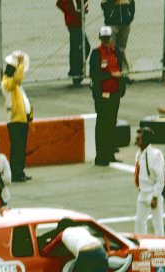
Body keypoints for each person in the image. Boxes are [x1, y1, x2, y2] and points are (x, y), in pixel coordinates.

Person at [89, 26, 126, 166]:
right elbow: (94, 74)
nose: (106, 41)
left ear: (110, 38)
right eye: (103, 39)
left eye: (107, 38)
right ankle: (101, 156)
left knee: (111, 123)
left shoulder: (116, 52)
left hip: (114, 94)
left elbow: (120, 70)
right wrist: (111, 75)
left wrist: (121, 88)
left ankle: (110, 153)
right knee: (102, 124)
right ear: (100, 39)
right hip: (102, 95)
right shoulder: (96, 53)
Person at [1, 51, 32, 182]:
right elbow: (18, 78)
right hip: (15, 119)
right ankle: (16, 172)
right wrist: (20, 65)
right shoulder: (7, 83)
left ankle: (20, 171)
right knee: (17, 147)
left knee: (21, 146)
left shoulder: (16, 86)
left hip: (21, 119)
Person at [134, 127, 165, 236]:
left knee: (158, 224)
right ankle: (142, 244)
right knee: (139, 222)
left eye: (139, 137)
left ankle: (162, 246)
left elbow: (161, 178)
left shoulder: (155, 154)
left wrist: (155, 196)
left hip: (153, 194)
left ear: (146, 140)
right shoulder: (138, 154)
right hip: (143, 194)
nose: (136, 139)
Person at [56, 0, 90, 86]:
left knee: (81, 47)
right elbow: (59, 3)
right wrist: (71, 12)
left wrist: (82, 10)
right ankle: (75, 72)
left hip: (79, 23)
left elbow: (84, 4)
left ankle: (76, 71)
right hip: (73, 23)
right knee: (78, 47)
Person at [101, 0, 135, 83]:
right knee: (110, 48)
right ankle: (109, 73)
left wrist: (130, 16)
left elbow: (132, 3)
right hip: (112, 23)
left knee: (121, 49)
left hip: (125, 23)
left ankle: (124, 73)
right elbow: (103, 4)